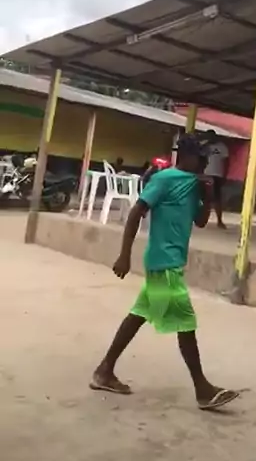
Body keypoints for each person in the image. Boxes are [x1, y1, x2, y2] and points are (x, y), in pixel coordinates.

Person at [90, 133, 239, 411]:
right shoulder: (164, 179)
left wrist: (206, 196)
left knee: (138, 316)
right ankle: (202, 389)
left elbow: (200, 221)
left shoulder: (193, 184)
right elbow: (136, 212)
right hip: (163, 261)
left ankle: (104, 371)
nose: (205, 163)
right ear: (188, 156)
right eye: (202, 158)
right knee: (186, 325)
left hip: (171, 262)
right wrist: (124, 255)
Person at [204, 130, 229, 229]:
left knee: (217, 198)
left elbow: (226, 161)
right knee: (204, 198)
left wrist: (225, 174)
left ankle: (219, 220)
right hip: (205, 174)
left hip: (217, 174)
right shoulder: (204, 146)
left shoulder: (222, 147)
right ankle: (201, 218)